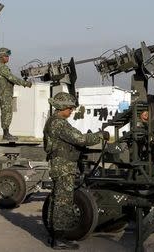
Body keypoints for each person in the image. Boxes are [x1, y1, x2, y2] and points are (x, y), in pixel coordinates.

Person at [43, 92, 109, 250]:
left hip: (61, 165)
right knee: (63, 202)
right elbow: (80, 139)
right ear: (62, 107)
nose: (71, 111)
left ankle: (55, 236)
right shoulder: (59, 123)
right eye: (70, 108)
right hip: (63, 167)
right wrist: (100, 135)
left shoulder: (54, 121)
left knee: (57, 200)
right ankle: (58, 239)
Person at [0, 47, 32, 141]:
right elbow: (11, 78)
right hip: (4, 93)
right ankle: (6, 134)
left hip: (5, 93)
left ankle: (6, 133)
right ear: (1, 56)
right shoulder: (1, 67)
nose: (8, 58)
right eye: (6, 56)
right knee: (7, 113)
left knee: (7, 113)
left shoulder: (0, 66)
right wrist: (25, 83)